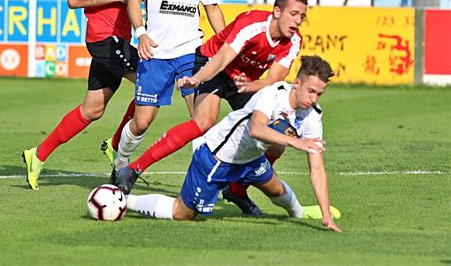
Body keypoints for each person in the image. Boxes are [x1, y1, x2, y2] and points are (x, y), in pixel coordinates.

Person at [114, 0, 308, 215]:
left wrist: (248, 87)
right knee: (203, 122)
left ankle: (237, 190)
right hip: (213, 65)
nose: (298, 21)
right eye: (293, 14)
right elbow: (223, 57)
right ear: (277, 11)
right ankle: (133, 170)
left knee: (276, 139)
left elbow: (273, 79)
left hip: (246, 82)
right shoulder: (253, 24)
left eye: (302, 16)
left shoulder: (294, 41)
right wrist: (196, 79)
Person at [124, 55, 343, 232]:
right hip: (218, 156)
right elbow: (255, 128)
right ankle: (124, 200)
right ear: (296, 83)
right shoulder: (273, 95)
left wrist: (326, 216)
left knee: (276, 189)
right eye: (311, 91)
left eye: (319, 94)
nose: (314, 99)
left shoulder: (313, 114)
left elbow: (317, 168)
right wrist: (296, 142)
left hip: (250, 159)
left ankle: (299, 214)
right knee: (183, 213)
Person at [22, 0, 150, 190]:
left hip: (122, 38)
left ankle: (37, 155)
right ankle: (117, 145)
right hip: (103, 39)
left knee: (92, 109)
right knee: (151, 85)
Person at [103, 0, 226, 181]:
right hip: (155, 54)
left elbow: (213, 9)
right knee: (141, 122)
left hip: (190, 53)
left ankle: (203, 179)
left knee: (201, 120)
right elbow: (134, 0)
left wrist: (228, 46)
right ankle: (121, 161)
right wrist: (141, 32)